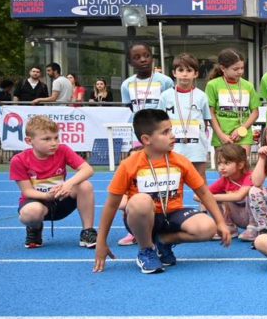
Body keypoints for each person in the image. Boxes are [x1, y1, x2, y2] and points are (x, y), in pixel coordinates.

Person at [93, 109, 231, 274]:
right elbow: (111, 205)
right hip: (142, 218)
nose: (172, 135)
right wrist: (101, 241)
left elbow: (204, 193)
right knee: (141, 201)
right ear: (146, 139)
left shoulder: (180, 161)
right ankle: (146, 249)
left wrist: (220, 222)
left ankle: (163, 241)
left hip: (171, 216)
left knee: (208, 227)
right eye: (165, 132)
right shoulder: (129, 165)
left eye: (171, 130)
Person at [10, 115, 97, 249]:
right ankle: (34, 228)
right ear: (29, 141)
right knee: (30, 213)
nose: (53, 143)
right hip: (38, 202)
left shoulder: (63, 150)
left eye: (56, 137)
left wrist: (68, 184)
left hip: (61, 199)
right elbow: (27, 191)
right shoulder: (19, 160)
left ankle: (87, 232)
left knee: (85, 186)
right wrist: (46, 196)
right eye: (47, 139)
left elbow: (88, 170)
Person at [159, 53, 212, 178]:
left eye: (189, 70)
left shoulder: (202, 96)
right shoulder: (165, 96)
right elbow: (160, 121)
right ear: (174, 73)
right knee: (173, 180)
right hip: (173, 147)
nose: (184, 74)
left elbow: (206, 121)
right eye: (181, 70)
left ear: (196, 74)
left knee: (200, 180)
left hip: (196, 147)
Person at [206, 48, 259, 149]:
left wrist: (242, 130)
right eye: (235, 69)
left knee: (243, 160)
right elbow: (210, 113)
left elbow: (255, 112)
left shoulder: (248, 86)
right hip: (222, 137)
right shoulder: (212, 85)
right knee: (223, 160)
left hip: (243, 136)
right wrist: (221, 135)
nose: (240, 72)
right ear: (223, 68)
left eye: (242, 68)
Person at [209, 143, 254, 236]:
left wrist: (211, 197)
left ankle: (254, 227)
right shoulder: (224, 180)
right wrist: (210, 198)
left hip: (253, 217)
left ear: (240, 165)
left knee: (253, 192)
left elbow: (239, 196)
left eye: (227, 163)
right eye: (219, 163)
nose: (222, 167)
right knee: (213, 198)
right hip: (236, 216)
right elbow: (199, 195)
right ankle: (228, 225)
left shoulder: (250, 176)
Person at [121, 43, 174, 112]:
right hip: (136, 119)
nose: (143, 60)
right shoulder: (126, 84)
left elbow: (170, 107)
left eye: (147, 56)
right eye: (137, 57)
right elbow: (127, 110)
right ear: (130, 62)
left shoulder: (166, 81)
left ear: (152, 58)